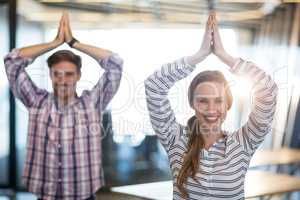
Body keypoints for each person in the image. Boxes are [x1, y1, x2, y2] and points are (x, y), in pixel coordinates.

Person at [144, 11, 278, 199]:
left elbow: (268, 90)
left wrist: (224, 55)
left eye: (218, 101)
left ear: (227, 104)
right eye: (203, 101)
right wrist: (199, 56)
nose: (211, 109)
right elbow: (154, 85)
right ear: (192, 103)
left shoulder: (243, 143)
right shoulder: (175, 139)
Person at [4, 12, 123, 200]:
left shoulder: (91, 104)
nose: (62, 80)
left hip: (83, 195)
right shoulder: (36, 102)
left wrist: (73, 42)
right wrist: (55, 43)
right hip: (45, 195)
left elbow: (115, 64)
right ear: (50, 75)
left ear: (78, 76)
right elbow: (12, 61)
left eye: (68, 74)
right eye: (56, 74)